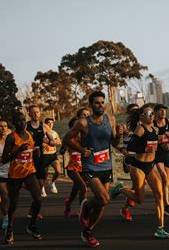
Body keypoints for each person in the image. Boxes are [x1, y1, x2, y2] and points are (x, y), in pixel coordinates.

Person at [63, 91, 123, 248]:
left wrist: (119, 137)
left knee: (102, 204)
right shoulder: (83, 123)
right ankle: (87, 208)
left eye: (102, 102)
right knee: (104, 198)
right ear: (91, 105)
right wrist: (82, 150)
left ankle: (87, 230)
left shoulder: (110, 119)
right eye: (97, 102)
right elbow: (67, 139)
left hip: (106, 165)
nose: (100, 105)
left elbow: (114, 143)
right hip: (90, 166)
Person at [110, 104, 169, 239]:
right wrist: (145, 148)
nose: (152, 115)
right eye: (148, 113)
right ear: (141, 117)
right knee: (139, 199)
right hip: (138, 166)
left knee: (160, 195)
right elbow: (132, 146)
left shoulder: (155, 129)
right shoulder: (140, 128)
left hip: (151, 165)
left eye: (152, 113)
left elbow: (154, 144)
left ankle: (160, 228)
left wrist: (163, 143)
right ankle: (120, 189)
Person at [2, 111, 43, 244]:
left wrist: (36, 154)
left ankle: (31, 225)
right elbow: (4, 159)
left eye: (24, 120)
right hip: (15, 175)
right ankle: (9, 229)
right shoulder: (11, 137)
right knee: (13, 204)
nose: (22, 123)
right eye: (19, 121)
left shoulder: (29, 135)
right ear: (14, 123)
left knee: (38, 199)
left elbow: (31, 151)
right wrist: (18, 150)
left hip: (30, 172)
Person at [62, 109, 89, 218]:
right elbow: (63, 148)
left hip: (83, 167)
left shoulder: (86, 137)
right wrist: (63, 149)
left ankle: (68, 204)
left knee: (76, 189)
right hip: (72, 167)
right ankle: (82, 211)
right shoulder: (70, 138)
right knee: (83, 187)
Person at [153, 103, 169, 216]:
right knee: (163, 176)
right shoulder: (152, 124)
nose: (163, 112)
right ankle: (167, 205)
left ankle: (162, 202)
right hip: (156, 155)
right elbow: (148, 139)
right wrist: (159, 140)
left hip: (167, 154)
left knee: (166, 182)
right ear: (155, 112)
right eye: (160, 110)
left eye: (164, 110)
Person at [26, 105, 55, 203]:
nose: (36, 114)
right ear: (29, 114)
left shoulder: (44, 126)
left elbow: (53, 142)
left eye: (37, 112)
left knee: (40, 182)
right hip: (28, 157)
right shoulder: (26, 126)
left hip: (40, 157)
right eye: (33, 112)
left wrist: (47, 142)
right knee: (27, 182)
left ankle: (35, 205)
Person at [42, 117, 63, 194]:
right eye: (48, 123)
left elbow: (59, 141)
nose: (50, 124)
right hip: (44, 155)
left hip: (53, 155)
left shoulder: (54, 133)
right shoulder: (42, 133)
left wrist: (56, 142)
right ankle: (42, 188)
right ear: (45, 124)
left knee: (58, 171)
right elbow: (41, 143)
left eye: (52, 123)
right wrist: (49, 143)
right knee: (45, 174)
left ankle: (52, 182)